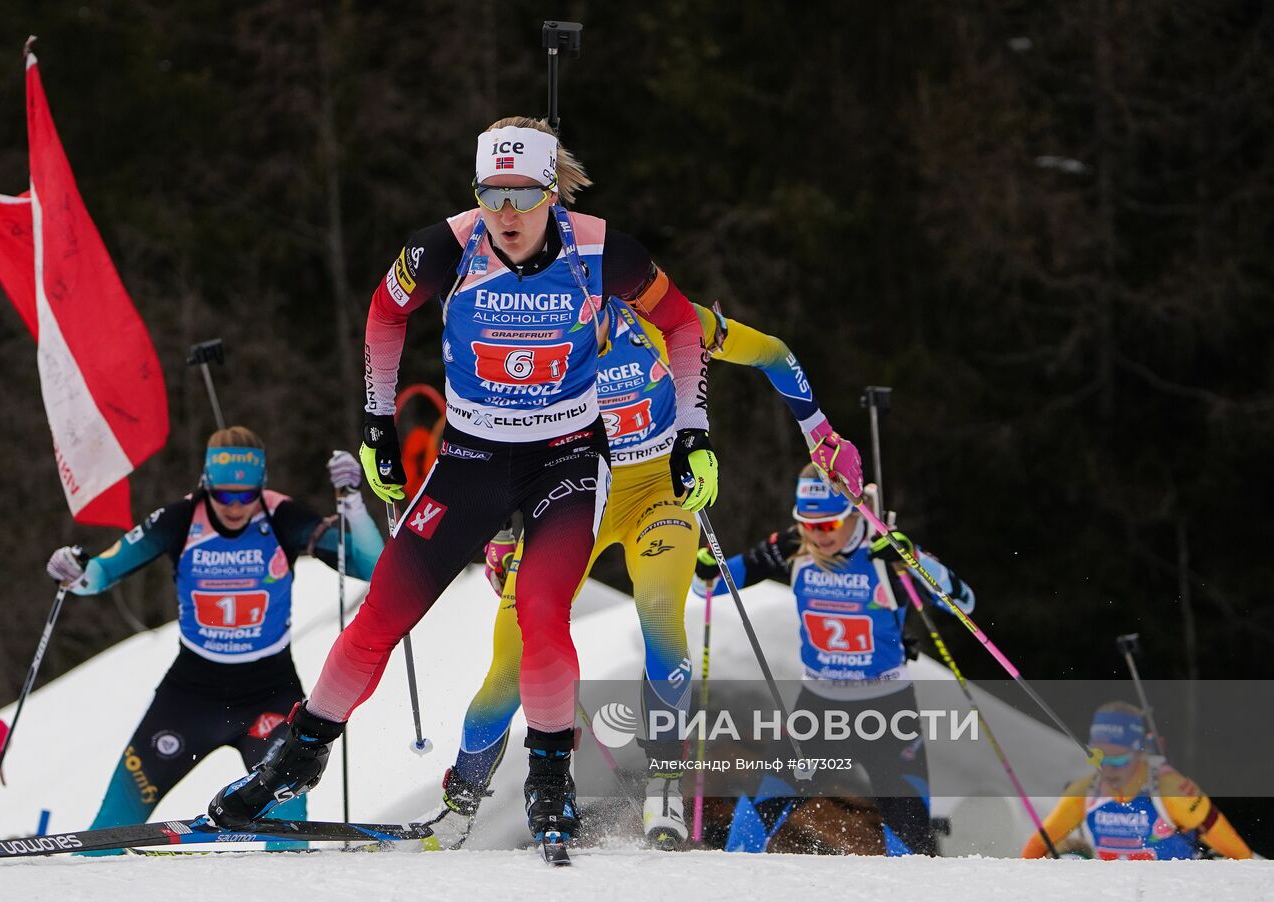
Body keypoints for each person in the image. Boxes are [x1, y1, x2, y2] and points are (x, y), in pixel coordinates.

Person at [208, 117, 722, 846]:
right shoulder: (443, 247)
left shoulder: (602, 250)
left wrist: (693, 431)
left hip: (567, 462)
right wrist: (378, 425)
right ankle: (295, 759)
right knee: (382, 614)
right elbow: (385, 315)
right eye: (491, 194)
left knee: (541, 617)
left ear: (551, 192)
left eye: (522, 194)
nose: (506, 214)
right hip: (471, 460)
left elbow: (682, 327)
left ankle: (550, 782)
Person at [425, 299, 864, 850]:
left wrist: (821, 434)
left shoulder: (662, 320)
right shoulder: (531, 334)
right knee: (512, 666)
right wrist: (498, 533)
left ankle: (665, 782)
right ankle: (458, 805)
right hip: (573, 493)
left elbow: (774, 354)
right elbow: (493, 437)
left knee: (659, 610)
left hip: (658, 491)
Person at [45, 426, 381, 843]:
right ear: (206, 484)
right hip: (189, 698)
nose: (236, 506)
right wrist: (74, 571)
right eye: (224, 495)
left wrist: (353, 505)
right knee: (111, 827)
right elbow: (99, 573)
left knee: (288, 834)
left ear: (261, 486)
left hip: (269, 695)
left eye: (246, 495)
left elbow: (372, 567)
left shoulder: (281, 515)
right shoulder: (180, 518)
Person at [693, 469, 975, 855]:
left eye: (828, 524)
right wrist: (706, 570)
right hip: (819, 709)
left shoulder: (884, 552)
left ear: (855, 514)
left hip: (887, 710)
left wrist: (913, 562)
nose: (819, 535)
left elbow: (964, 603)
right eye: (808, 524)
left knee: (911, 842)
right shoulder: (796, 547)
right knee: (755, 817)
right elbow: (709, 585)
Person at [1020, 702, 1253, 860]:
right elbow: (1035, 849)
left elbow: (1242, 858)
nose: (1108, 767)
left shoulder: (1171, 790)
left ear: (1140, 752)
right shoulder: (1085, 791)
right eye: (1099, 757)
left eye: (1119, 758)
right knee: (1069, 853)